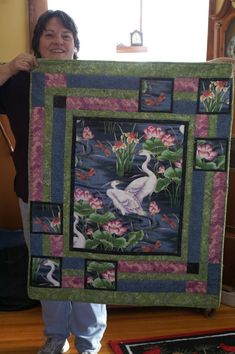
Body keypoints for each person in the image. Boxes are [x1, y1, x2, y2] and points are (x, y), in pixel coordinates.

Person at [0, 10, 107, 354]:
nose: (57, 41)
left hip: (89, 198)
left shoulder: (96, 82)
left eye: (65, 35)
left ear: (76, 46)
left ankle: (89, 342)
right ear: (36, 46)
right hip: (35, 193)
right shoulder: (18, 84)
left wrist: (214, 70)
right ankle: (55, 337)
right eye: (48, 34)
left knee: (90, 269)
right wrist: (7, 68)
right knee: (48, 269)